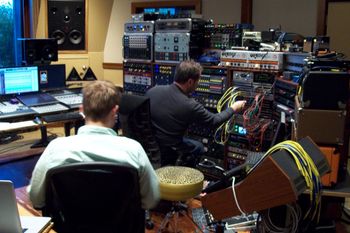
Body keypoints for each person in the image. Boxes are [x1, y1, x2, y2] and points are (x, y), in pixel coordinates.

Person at [29, 80, 160, 210]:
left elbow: (36, 199)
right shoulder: (134, 150)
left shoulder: (55, 148)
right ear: (115, 111)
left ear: (82, 110)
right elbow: (150, 201)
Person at [146, 60, 246, 165]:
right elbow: (214, 120)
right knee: (199, 147)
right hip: (170, 148)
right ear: (190, 82)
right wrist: (233, 108)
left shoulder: (153, 91)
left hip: (151, 145)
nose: (197, 84)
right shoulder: (189, 105)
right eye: (198, 81)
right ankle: (186, 178)